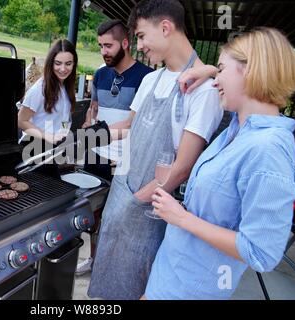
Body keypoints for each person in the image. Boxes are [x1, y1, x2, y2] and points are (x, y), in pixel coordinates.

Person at [146, 27, 295, 299]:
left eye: (221, 70)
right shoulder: (236, 130)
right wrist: (204, 71)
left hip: (192, 288)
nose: (216, 80)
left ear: (251, 71)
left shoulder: (268, 150)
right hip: (171, 273)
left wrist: (182, 218)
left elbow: (261, 252)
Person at [87, 0, 223, 300]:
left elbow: (183, 167)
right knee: (107, 278)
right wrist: (82, 140)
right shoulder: (151, 78)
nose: (139, 45)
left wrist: (136, 201)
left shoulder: (204, 91)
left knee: (137, 284)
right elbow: (127, 126)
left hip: (149, 206)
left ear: (165, 27)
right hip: (121, 189)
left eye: (142, 36)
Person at [75, 19, 153, 276]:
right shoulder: (99, 74)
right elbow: (93, 111)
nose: (103, 51)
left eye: (108, 45)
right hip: (96, 155)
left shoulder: (147, 78)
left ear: (126, 43)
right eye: (100, 46)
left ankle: (110, 269)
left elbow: (138, 125)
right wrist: (87, 128)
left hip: (123, 163)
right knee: (92, 216)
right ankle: (94, 262)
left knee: (117, 220)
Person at [18, 39, 78, 147]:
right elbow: (21, 121)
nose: (63, 69)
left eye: (68, 64)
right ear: (51, 63)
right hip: (34, 146)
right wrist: (47, 136)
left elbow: (65, 118)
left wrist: (63, 133)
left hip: (54, 146)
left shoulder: (67, 87)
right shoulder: (39, 89)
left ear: (74, 64)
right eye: (58, 63)